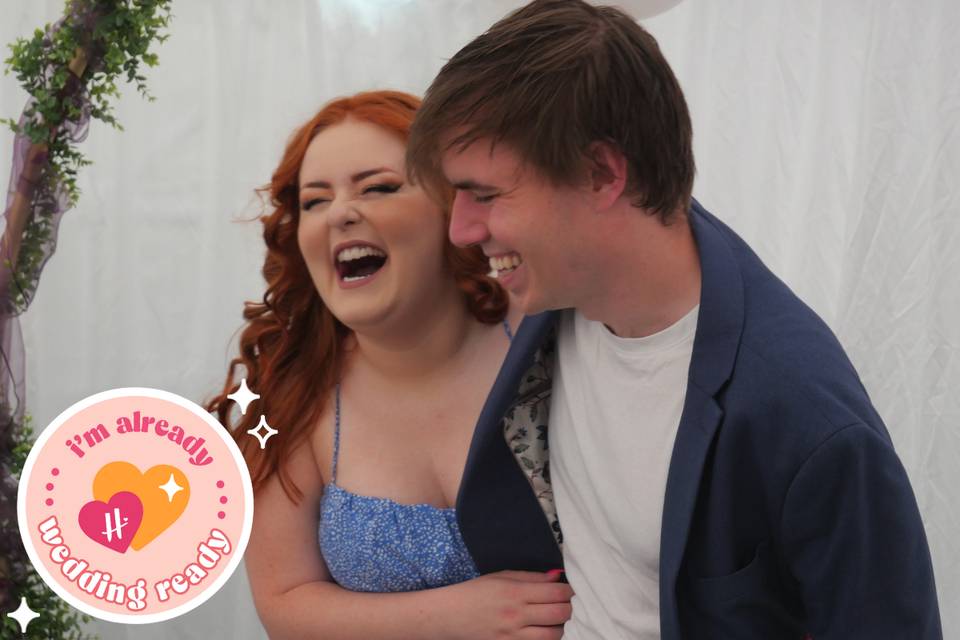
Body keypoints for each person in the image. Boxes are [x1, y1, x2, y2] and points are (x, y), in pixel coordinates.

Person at [406, 1, 943, 638]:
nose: (462, 230)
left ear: (601, 174)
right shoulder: (562, 282)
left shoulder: (805, 422)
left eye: (486, 195)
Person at [206, 90, 573, 639]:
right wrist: (456, 617)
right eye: (314, 201)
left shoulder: (549, 331)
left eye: (377, 188)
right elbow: (284, 603)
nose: (342, 214)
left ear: (454, 207)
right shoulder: (290, 391)